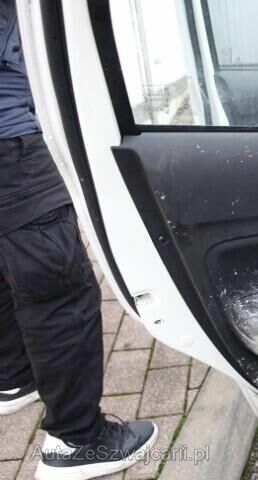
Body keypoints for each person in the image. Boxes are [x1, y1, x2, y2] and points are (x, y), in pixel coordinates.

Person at [0, 2, 157, 479]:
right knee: (58, 288)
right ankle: (76, 442)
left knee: (9, 264)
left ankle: (14, 377)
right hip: (10, 143)